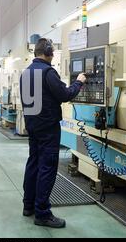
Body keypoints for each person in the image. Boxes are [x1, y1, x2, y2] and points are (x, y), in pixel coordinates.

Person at [20, 38, 87, 228]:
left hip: (32, 126)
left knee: (33, 163)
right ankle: (42, 213)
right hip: (48, 128)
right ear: (48, 51)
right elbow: (65, 95)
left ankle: (28, 205)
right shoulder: (48, 72)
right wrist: (79, 82)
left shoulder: (25, 73)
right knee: (47, 167)